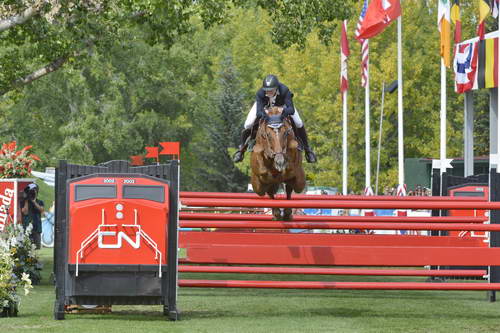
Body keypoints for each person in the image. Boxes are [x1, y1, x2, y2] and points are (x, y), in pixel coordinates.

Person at [232, 74, 317, 163]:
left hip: (283, 107)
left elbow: (291, 109)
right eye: (266, 90)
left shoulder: (284, 90)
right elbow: (259, 112)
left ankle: (308, 150)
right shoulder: (260, 93)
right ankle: (241, 150)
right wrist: (267, 117)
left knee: (298, 122)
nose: (268, 93)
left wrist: (282, 114)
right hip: (265, 108)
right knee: (248, 124)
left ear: (276, 88)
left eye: (271, 90)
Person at [21, 183, 44, 249]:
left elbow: (41, 210)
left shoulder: (40, 202)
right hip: (26, 227)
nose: (32, 193)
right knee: (26, 247)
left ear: (37, 192)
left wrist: (34, 202)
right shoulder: (24, 202)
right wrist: (26, 200)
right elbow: (25, 212)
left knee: (36, 248)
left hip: (37, 227)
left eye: (34, 191)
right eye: (31, 192)